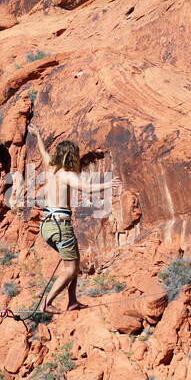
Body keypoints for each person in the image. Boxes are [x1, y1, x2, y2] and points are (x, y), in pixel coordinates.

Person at [27, 129, 122, 313]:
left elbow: (43, 152)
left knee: (74, 263)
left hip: (47, 225)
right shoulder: (67, 174)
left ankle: (72, 301)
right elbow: (86, 188)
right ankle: (46, 303)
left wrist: (38, 135)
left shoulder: (51, 169)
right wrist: (108, 184)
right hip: (60, 226)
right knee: (70, 269)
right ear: (72, 156)